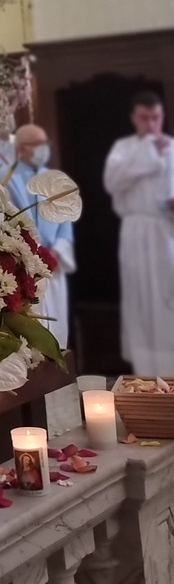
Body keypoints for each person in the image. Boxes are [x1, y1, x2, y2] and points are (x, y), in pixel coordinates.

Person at [103, 90, 174, 375]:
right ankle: (146, 372)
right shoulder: (124, 149)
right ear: (134, 118)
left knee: (168, 297)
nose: (151, 124)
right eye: (145, 118)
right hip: (137, 230)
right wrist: (148, 152)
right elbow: (112, 182)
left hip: (168, 231)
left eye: (156, 117)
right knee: (141, 298)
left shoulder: (173, 147)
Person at [6, 123, 75, 349]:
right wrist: (31, 255)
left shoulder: (56, 180)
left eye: (46, 144)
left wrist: (57, 251)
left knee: (56, 332)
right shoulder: (7, 178)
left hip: (53, 266)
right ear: (21, 148)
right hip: (25, 267)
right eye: (38, 144)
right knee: (31, 336)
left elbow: (66, 222)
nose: (44, 148)